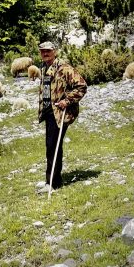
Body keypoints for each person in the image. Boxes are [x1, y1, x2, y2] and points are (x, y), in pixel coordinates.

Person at [36, 41, 87, 192]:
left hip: (59, 113)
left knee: (53, 147)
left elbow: (82, 86)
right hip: (48, 112)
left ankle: (52, 183)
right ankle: (52, 180)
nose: (45, 53)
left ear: (55, 51)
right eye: (42, 51)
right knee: (50, 146)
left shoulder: (64, 68)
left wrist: (67, 101)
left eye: (48, 51)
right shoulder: (44, 67)